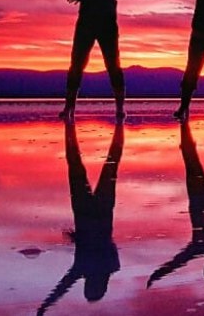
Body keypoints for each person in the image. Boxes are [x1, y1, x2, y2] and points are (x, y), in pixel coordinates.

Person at [38, 119, 124, 315]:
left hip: (91, 211)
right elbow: (63, 286)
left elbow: (62, 287)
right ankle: (115, 120)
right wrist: (44, 306)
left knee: (107, 165)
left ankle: (73, 124)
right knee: (96, 164)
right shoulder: (90, 268)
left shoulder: (108, 266)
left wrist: (45, 306)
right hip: (93, 212)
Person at [146, 114, 204, 287]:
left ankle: (184, 122)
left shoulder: (200, 248)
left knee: (190, 158)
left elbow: (178, 261)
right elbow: (180, 261)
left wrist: (158, 274)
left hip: (197, 198)